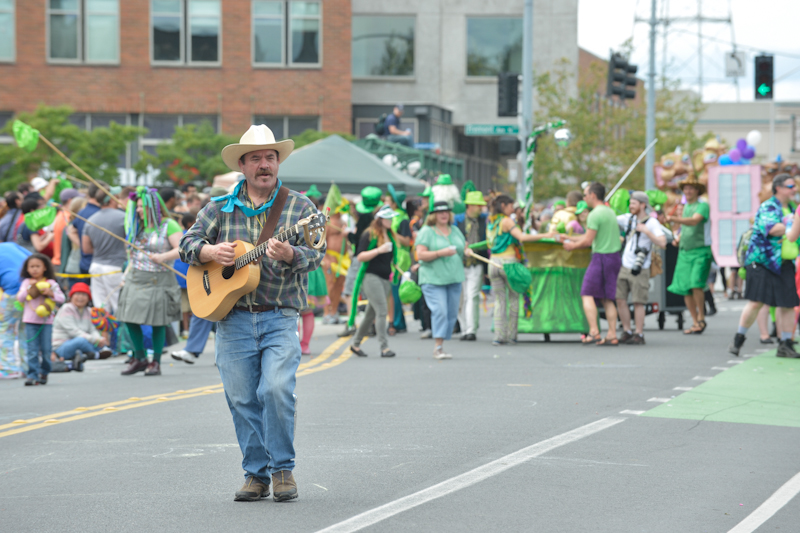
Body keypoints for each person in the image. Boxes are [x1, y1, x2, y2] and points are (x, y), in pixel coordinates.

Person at [180, 124, 324, 502]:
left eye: (271, 157)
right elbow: (187, 244)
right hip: (232, 317)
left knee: (276, 390)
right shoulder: (218, 208)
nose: (265, 164)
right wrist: (209, 253)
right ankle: (255, 475)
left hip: (280, 314)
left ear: (278, 163)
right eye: (257, 158)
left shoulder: (301, 208)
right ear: (242, 165)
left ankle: (282, 470)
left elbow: (316, 256)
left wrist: (292, 254)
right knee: (242, 399)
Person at [729, 173, 800, 358]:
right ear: (778, 188)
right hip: (762, 262)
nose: (795, 189)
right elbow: (771, 229)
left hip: (785, 263)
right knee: (756, 303)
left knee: (788, 304)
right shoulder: (769, 206)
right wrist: (793, 223)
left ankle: (785, 343)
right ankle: (739, 338)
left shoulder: (792, 207)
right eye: (790, 186)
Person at [117, 187, 183, 377]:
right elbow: (132, 253)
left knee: (157, 321)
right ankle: (139, 358)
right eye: (136, 206)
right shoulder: (136, 225)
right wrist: (126, 274)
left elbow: (182, 248)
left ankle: (156, 362)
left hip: (159, 279)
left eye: (141, 207)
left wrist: (163, 257)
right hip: (135, 277)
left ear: (152, 207)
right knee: (128, 317)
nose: (137, 210)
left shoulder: (168, 225)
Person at [487, 195, 555, 346]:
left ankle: (499, 335)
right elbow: (522, 238)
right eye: (511, 206)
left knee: (499, 300)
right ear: (503, 205)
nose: (513, 209)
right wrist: (545, 235)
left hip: (492, 263)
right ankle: (512, 335)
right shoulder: (507, 221)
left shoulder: (491, 221)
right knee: (513, 298)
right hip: (509, 263)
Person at [563, 182, 622, 346]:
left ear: (593, 195)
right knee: (608, 298)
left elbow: (588, 240)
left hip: (601, 258)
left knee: (587, 293)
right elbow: (593, 236)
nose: (584, 198)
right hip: (614, 257)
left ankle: (594, 331)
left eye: (586, 194)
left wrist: (571, 245)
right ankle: (612, 334)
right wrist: (570, 238)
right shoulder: (610, 212)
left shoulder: (594, 214)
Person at [415, 201, 466, 359]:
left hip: (453, 277)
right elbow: (420, 255)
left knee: (451, 313)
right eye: (440, 212)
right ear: (433, 215)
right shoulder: (426, 231)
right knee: (440, 311)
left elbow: (463, 246)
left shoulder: (455, 230)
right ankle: (438, 347)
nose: (444, 214)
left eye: (446, 211)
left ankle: (442, 343)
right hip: (433, 278)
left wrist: (468, 250)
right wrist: (440, 253)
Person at [615, 192, 666, 345]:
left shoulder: (651, 222)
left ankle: (639, 333)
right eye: (630, 203)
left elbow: (662, 242)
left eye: (634, 203)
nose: (631, 206)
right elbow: (611, 219)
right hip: (625, 265)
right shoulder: (627, 218)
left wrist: (647, 232)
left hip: (640, 267)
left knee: (638, 302)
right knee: (620, 299)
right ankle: (627, 330)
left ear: (643, 205)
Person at [348, 205, 398, 358]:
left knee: (370, 314)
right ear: (380, 219)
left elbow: (391, 258)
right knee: (382, 311)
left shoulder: (390, 234)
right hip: (371, 277)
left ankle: (355, 344)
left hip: (384, 278)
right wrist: (379, 250)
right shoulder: (369, 234)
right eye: (387, 218)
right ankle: (384, 347)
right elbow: (360, 256)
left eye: (391, 217)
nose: (390, 220)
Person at [666, 175, 712, 334]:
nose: (688, 191)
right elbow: (685, 229)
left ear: (698, 190)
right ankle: (694, 321)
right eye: (686, 188)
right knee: (685, 288)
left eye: (691, 188)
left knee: (695, 284)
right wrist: (678, 238)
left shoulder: (703, 206)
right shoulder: (685, 207)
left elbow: (694, 221)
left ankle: (701, 317)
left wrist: (674, 218)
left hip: (701, 251)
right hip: (685, 251)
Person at [340, 186, 383, 337]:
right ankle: (370, 325)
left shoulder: (365, 218)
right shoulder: (382, 217)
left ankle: (351, 324)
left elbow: (358, 240)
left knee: (349, 292)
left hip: (361, 258)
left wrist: (348, 235)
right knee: (369, 293)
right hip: (376, 260)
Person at [16, 253, 65, 386]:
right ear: (27, 269)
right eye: (31, 266)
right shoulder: (26, 282)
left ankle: (45, 371)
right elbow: (20, 298)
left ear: (45, 268)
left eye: (38, 266)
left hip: (46, 322)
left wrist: (51, 293)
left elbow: (62, 298)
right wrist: (30, 288)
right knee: (32, 350)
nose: (35, 269)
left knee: (46, 350)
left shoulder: (50, 283)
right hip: (30, 321)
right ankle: (32, 375)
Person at [51, 282, 112, 371]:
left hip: (81, 342)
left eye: (84, 295)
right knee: (81, 341)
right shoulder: (66, 308)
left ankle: (90, 353)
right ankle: (96, 354)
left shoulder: (88, 311)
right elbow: (74, 332)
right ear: (71, 296)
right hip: (61, 346)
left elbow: (92, 330)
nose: (80, 297)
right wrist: (95, 340)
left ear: (88, 298)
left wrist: (99, 339)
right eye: (77, 294)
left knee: (96, 342)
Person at [83, 190, 126, 316]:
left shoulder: (91, 220)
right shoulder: (123, 217)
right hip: (115, 267)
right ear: (111, 199)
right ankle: (120, 336)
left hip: (96, 267)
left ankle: (104, 335)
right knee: (119, 306)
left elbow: (86, 249)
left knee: (100, 307)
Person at [456, 191, 488, 341]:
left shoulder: (485, 220)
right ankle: (464, 328)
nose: (480, 208)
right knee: (460, 298)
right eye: (477, 205)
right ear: (469, 205)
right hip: (459, 263)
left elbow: (488, 241)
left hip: (476, 263)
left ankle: (471, 329)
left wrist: (473, 247)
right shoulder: (458, 220)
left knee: (472, 296)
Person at [0, 242, 30, 379]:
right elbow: (34, 258)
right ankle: (28, 367)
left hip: (13, 291)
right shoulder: (11, 245)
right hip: (32, 289)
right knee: (26, 328)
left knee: (6, 328)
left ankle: (8, 368)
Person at [386, 184, 412, 335]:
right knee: (392, 291)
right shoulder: (393, 216)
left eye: (388, 201)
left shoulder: (402, 219)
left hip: (400, 258)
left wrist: (392, 233)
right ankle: (399, 322)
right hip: (393, 256)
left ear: (394, 203)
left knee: (394, 292)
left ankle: (396, 322)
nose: (385, 203)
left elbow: (407, 241)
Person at [72, 182, 105, 275]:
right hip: (97, 264)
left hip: (85, 263)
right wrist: (85, 246)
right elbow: (71, 230)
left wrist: (83, 245)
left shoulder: (81, 212)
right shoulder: (99, 213)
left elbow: (71, 230)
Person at [174, 212, 196, 338]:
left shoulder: (180, 236)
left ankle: (186, 330)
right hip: (188, 275)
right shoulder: (192, 236)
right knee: (192, 304)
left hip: (179, 275)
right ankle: (191, 330)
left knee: (184, 306)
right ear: (189, 224)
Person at [52, 188, 81, 270]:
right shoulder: (67, 217)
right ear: (70, 200)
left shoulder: (61, 214)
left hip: (58, 261)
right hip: (63, 263)